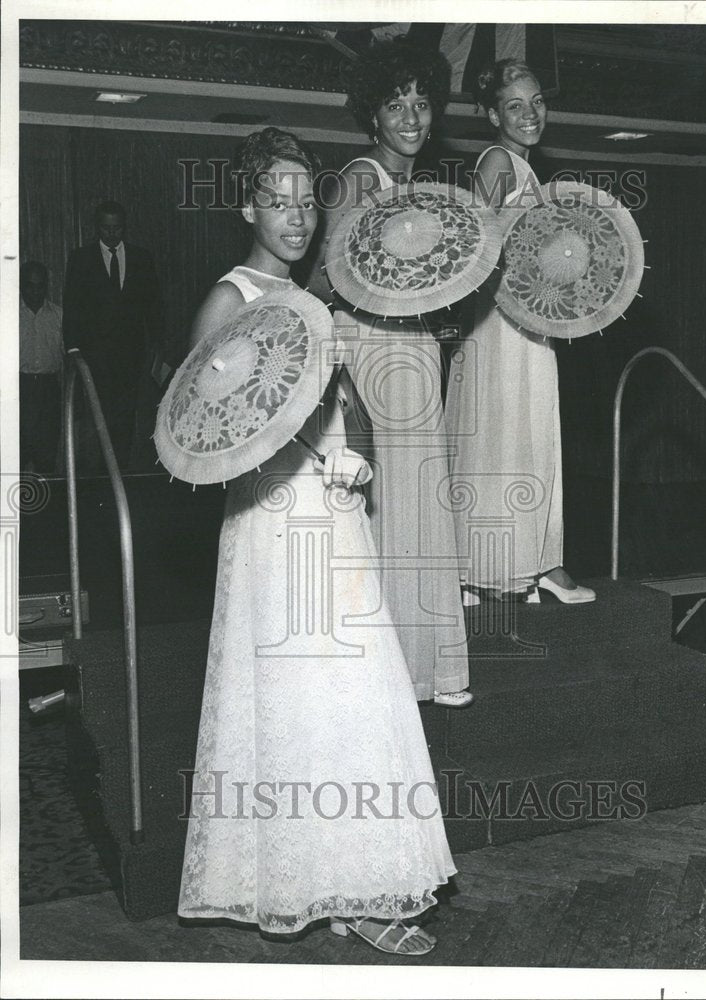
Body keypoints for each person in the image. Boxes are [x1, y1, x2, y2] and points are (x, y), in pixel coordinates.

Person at [177, 128, 455, 956]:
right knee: (300, 702)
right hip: (271, 522)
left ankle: (360, 879)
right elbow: (204, 429)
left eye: (306, 202)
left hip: (335, 511)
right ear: (247, 206)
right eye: (279, 201)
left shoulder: (319, 300)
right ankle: (321, 884)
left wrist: (355, 450)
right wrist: (309, 455)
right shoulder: (228, 301)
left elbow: (349, 404)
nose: (296, 218)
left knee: (358, 691)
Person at [315, 37, 473, 708]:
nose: (410, 117)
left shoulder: (423, 187)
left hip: (413, 353)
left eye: (421, 102)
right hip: (373, 355)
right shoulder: (358, 179)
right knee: (389, 511)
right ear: (370, 115)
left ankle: (424, 668)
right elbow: (325, 278)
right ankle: (383, 674)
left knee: (418, 507)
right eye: (394, 104)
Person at [445, 59, 596, 605]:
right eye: (515, 105)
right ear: (492, 114)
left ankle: (536, 564)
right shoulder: (498, 162)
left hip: (530, 321)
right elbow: (472, 247)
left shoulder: (528, 170)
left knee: (533, 437)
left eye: (536, 101)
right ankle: (485, 571)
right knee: (499, 440)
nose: (530, 113)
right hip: (498, 326)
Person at [62, 200, 163, 469]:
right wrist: (72, 348)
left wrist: (157, 345)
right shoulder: (80, 259)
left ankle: (121, 471)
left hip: (132, 356)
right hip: (94, 358)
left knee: (127, 416)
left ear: (124, 227)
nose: (111, 234)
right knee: (98, 415)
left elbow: (153, 306)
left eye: (117, 228)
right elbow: (72, 306)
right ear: (97, 227)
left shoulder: (141, 258)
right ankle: (100, 475)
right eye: (106, 228)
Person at [19, 261, 63, 473]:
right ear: (21, 285)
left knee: (47, 453)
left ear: (46, 286)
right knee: (16, 451)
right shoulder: (9, 315)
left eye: (40, 286)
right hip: (19, 389)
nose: (35, 291)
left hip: (48, 391)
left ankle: (50, 504)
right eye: (30, 285)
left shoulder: (59, 316)